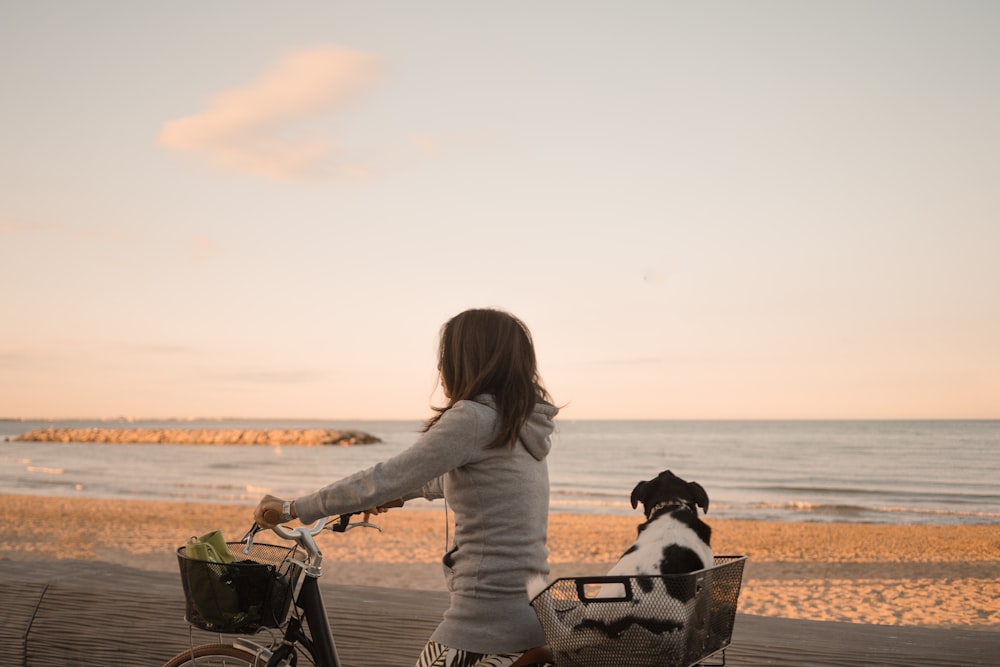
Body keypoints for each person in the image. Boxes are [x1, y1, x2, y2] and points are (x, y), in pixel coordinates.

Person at [255, 308, 558, 667]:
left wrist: (293, 508)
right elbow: (482, 482)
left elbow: (384, 477)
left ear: (465, 360)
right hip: (532, 608)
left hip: (484, 621)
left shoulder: (472, 418)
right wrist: (405, 494)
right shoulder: (519, 423)